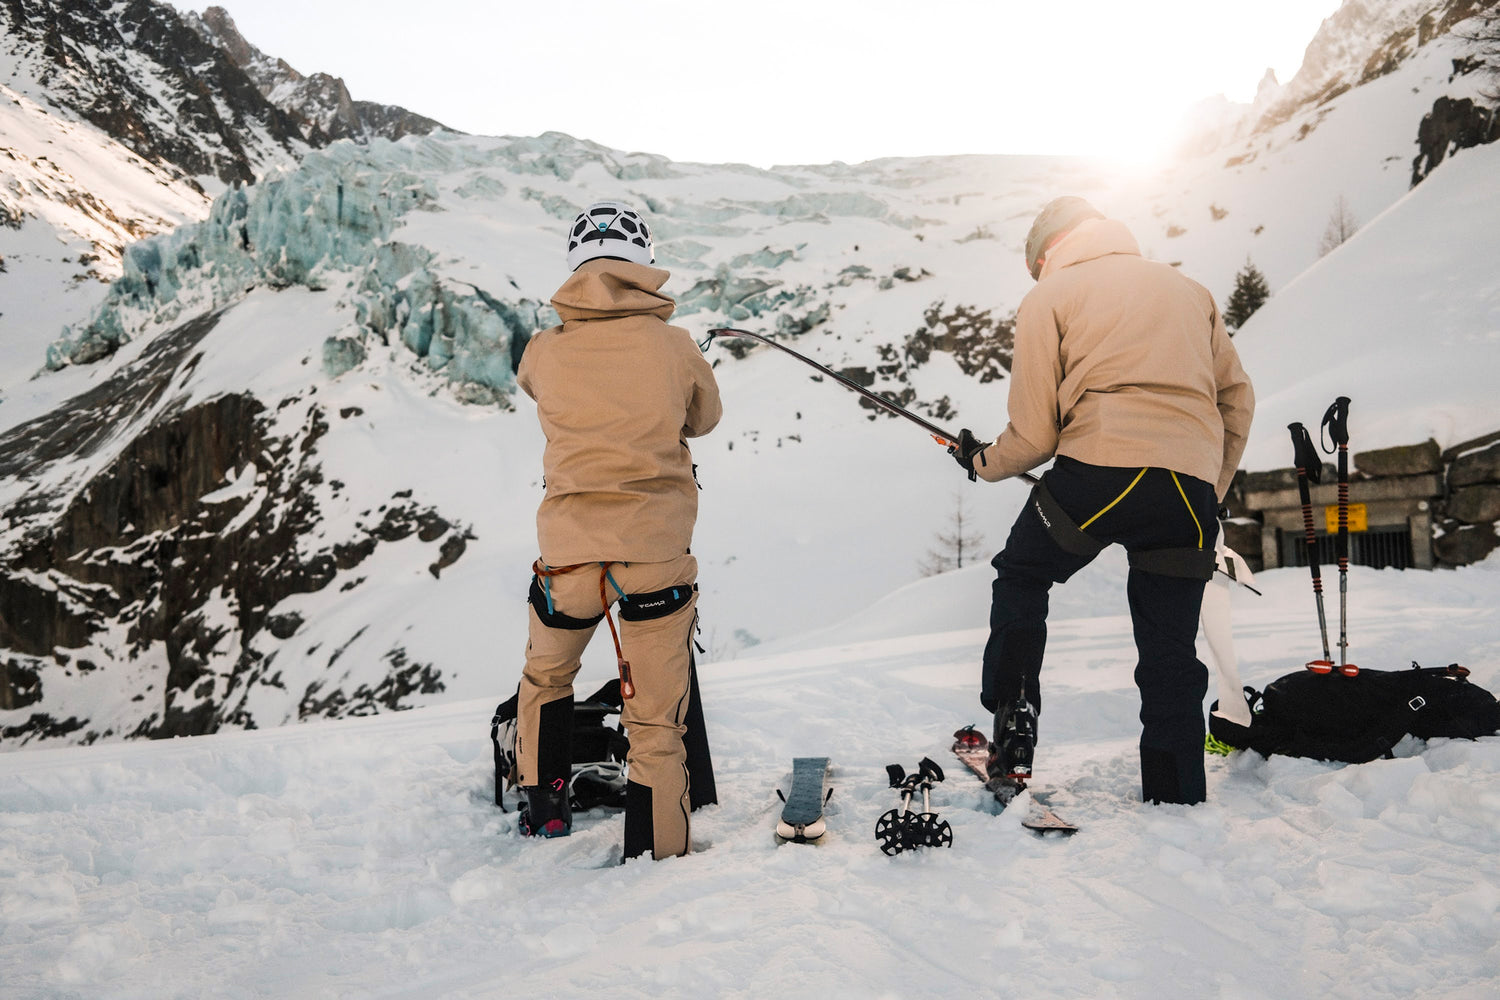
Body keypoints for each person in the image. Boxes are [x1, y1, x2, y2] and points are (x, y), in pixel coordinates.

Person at [948, 196, 1254, 806]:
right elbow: (1237, 401)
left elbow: (1035, 435)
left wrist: (981, 463)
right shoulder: (1190, 291)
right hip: (1187, 487)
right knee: (1169, 643)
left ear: (1045, 255)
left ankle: (1014, 728)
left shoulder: (1050, 297)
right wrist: (1205, 491)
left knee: (1023, 576)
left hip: (1097, 474)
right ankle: (1175, 788)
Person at [514, 200, 722, 860]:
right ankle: (658, 855)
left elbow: (535, 389)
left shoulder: (543, 349)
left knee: (547, 679)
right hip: (653, 556)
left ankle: (544, 809)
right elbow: (704, 418)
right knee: (656, 721)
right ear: (646, 266)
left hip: (568, 557)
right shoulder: (676, 345)